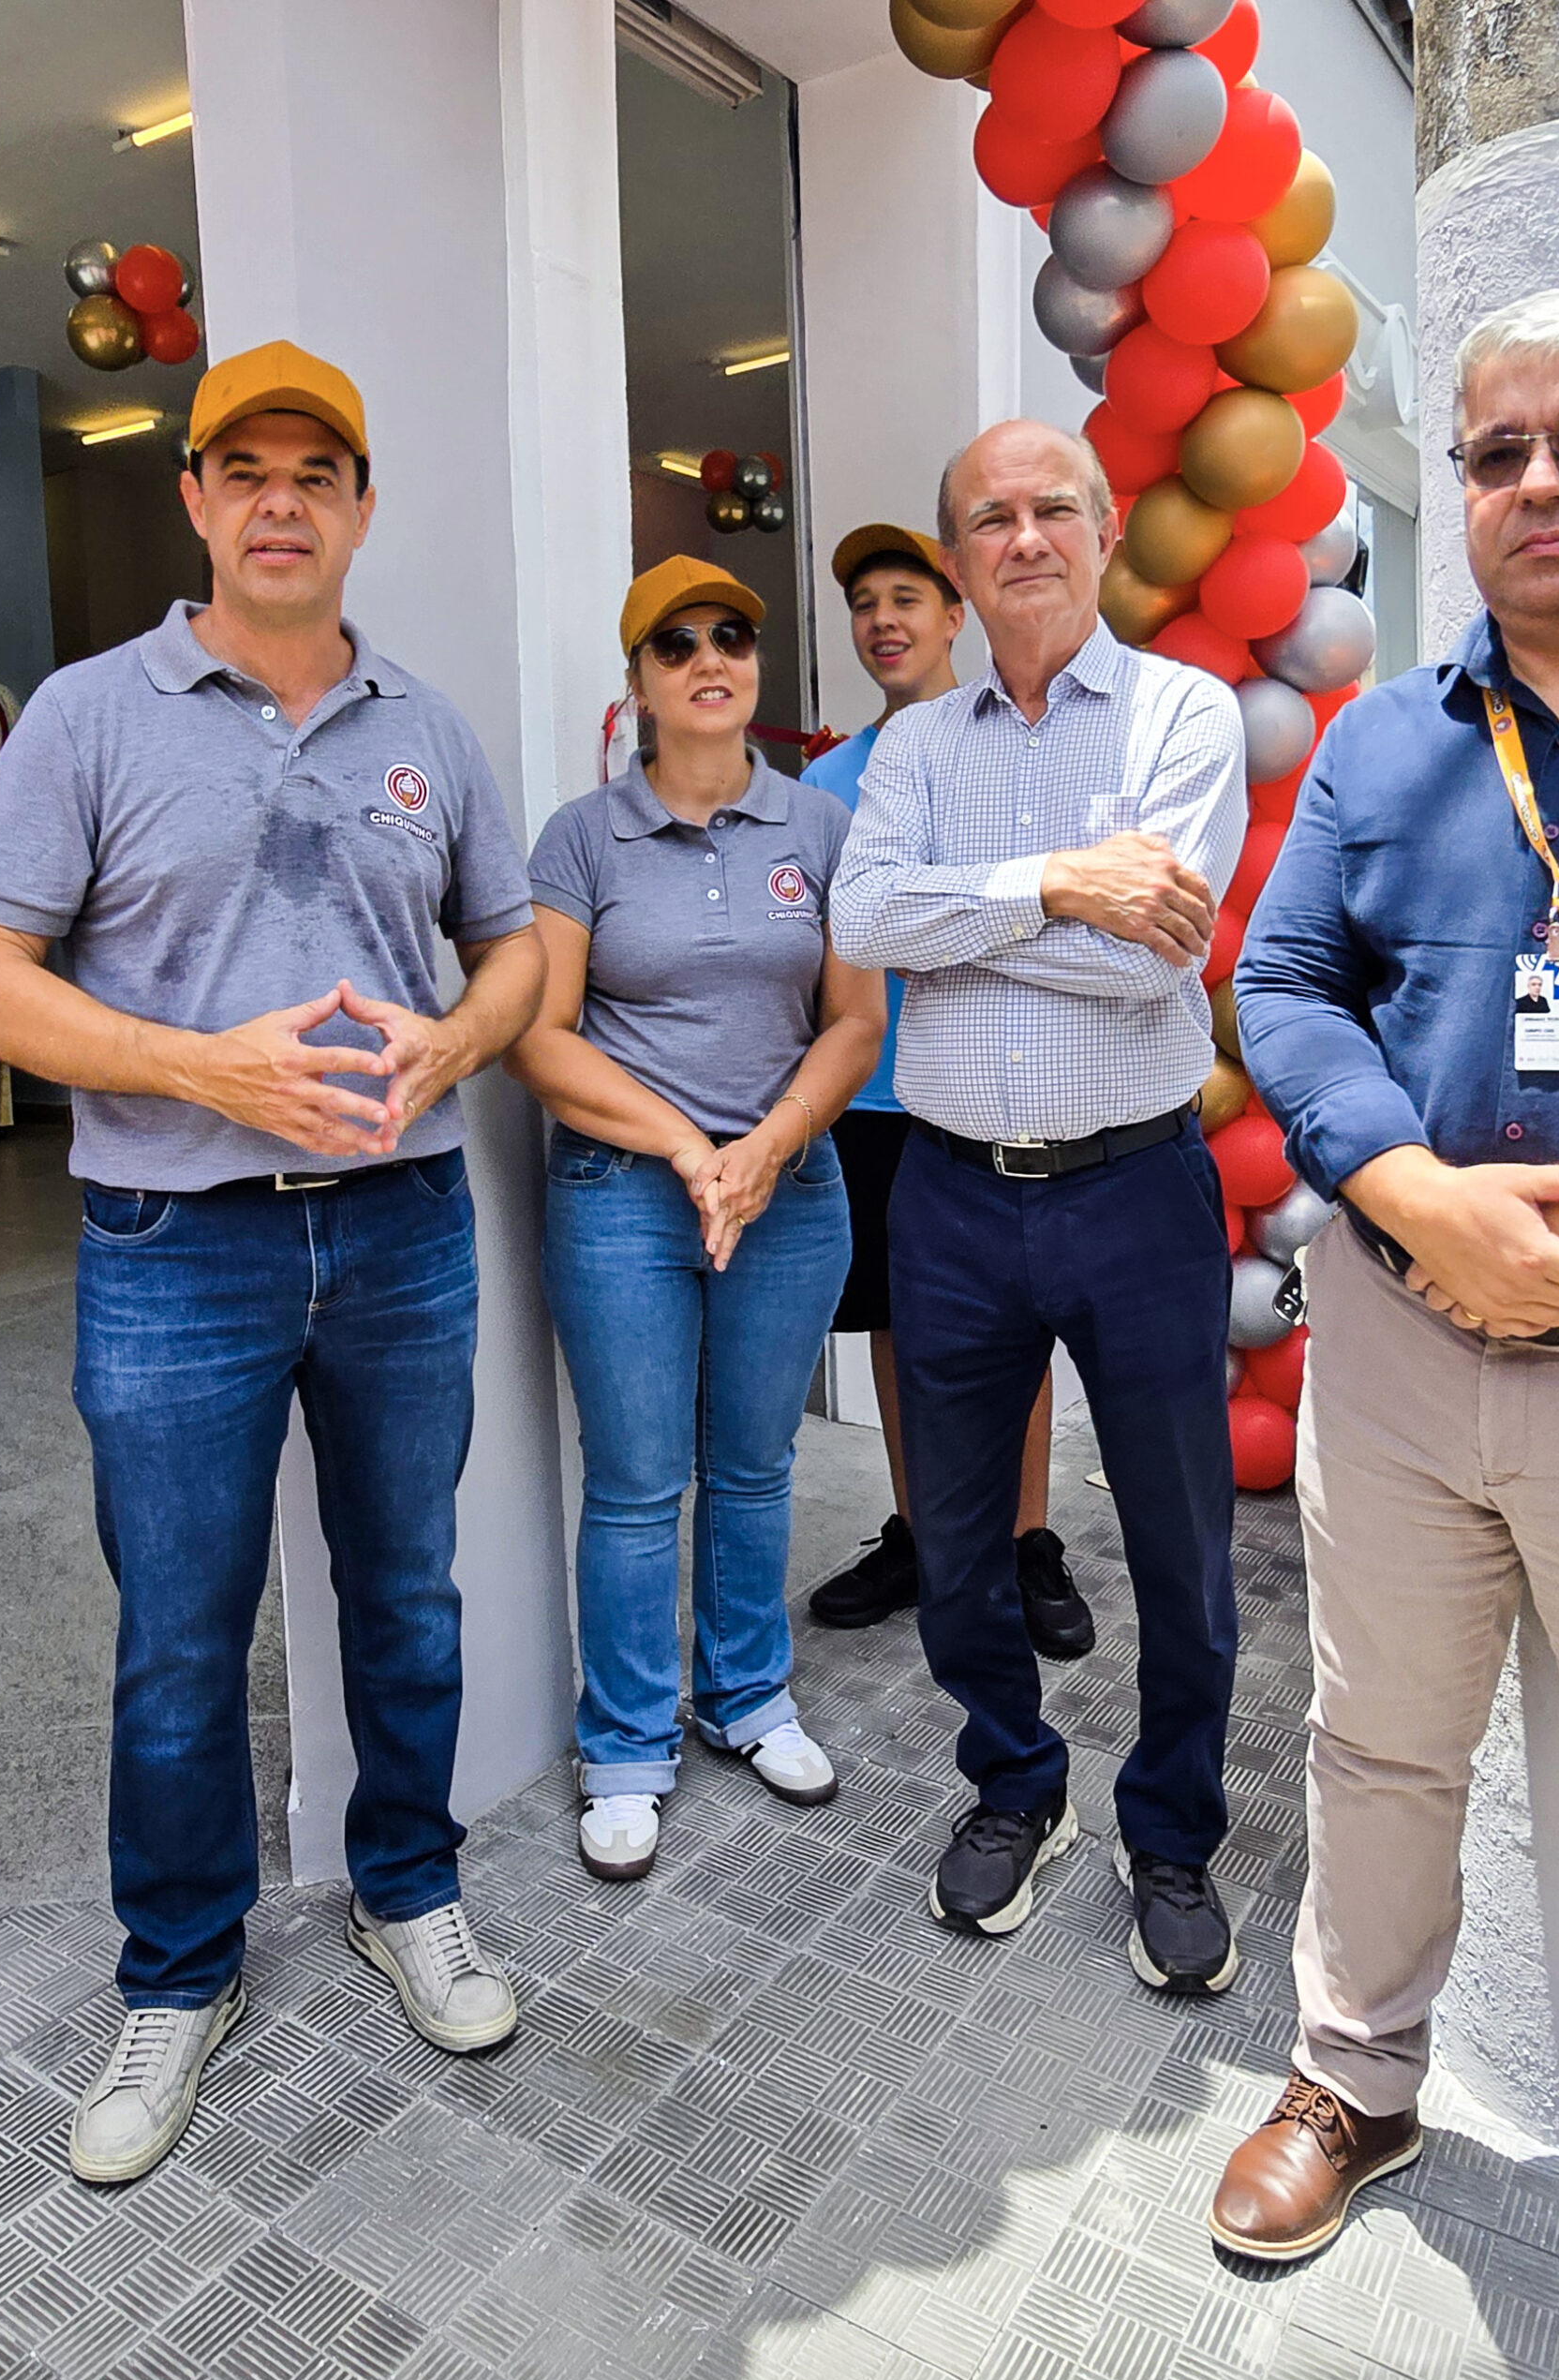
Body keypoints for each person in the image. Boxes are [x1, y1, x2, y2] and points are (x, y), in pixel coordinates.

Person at [0, 341, 545, 2184]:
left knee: (408, 1595)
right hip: (168, 1247)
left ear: (359, 509)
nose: (283, 500)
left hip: (398, 1234)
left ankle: (408, 1890)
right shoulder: (90, 716)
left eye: (319, 471)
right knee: (180, 1640)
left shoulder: (427, 732)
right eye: (246, 469)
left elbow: (514, 951)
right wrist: (197, 1062)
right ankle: (178, 1969)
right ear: (197, 499)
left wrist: (462, 1037)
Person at [1216, 286, 1559, 2380]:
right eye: (1499, 448)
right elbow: (1280, 974)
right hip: (1403, 1348)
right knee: (1374, 1736)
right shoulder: (1388, 733)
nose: (1533, 482)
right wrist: (1403, 1187)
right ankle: (1357, 2072)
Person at [832, 423, 1247, 1978]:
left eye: (1049, 509)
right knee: (952, 1541)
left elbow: (1160, 952)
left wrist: (995, 917)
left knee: (1178, 1546)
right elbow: (865, 916)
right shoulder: (914, 751)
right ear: (954, 558)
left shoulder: (1178, 714)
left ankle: (1174, 1828)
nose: (1021, 538)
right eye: (987, 517)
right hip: (946, 1202)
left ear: (1104, 526)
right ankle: (1014, 1782)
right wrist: (1055, 883)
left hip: (1131, 1189)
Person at [506, 558, 884, 1883]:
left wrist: (767, 1149)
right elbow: (539, 1040)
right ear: (641, 681)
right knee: (635, 1485)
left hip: (788, 1197)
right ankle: (625, 1743)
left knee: (755, 1467)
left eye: (734, 635)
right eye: (677, 644)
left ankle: (746, 1698)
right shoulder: (581, 839)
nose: (710, 657)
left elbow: (853, 1020)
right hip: (624, 1198)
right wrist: (687, 1150)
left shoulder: (819, 832)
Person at [802, 524, 1093, 1661]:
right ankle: (920, 1534)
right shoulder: (824, 780)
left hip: (984, 1087)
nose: (882, 620)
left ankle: (1024, 1541)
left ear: (952, 612)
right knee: (891, 1323)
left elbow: (1033, 909)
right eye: (864, 602)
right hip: (869, 1104)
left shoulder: (1002, 752)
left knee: (1010, 1331)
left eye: (904, 598)